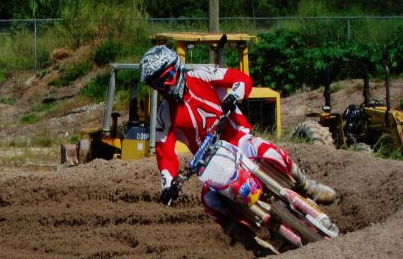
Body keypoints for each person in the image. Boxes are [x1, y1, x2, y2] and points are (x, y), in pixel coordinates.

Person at [139, 44, 337, 234]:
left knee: (268, 151)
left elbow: (240, 78)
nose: (165, 86)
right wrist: (168, 186)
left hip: (238, 138)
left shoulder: (202, 75)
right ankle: (250, 240)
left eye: (168, 77)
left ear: (177, 68)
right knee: (210, 202)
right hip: (211, 162)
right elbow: (164, 152)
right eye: (157, 83)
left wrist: (234, 94)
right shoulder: (164, 115)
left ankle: (306, 185)